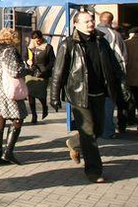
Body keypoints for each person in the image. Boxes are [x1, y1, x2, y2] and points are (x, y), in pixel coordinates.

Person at [49, 11, 124, 184]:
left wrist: (122, 86)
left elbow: (114, 66)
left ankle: (75, 143)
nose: (91, 23)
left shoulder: (101, 41)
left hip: (100, 93)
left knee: (98, 130)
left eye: (92, 20)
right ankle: (94, 171)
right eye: (87, 21)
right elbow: (58, 72)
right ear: (76, 24)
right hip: (79, 95)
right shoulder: (68, 44)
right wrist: (54, 95)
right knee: (89, 133)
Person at [0, 28, 28, 165]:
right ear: (12, 38)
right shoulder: (10, 51)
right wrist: (27, 68)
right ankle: (8, 153)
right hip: (8, 90)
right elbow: (15, 71)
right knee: (18, 118)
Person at [97, 11, 129, 136]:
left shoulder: (90, 33)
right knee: (108, 103)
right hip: (109, 76)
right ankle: (108, 131)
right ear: (111, 21)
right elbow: (122, 57)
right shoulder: (114, 35)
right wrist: (122, 77)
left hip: (92, 75)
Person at [25, 30, 54, 124]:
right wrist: (27, 61)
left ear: (41, 38)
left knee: (41, 93)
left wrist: (46, 69)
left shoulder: (48, 47)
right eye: (34, 40)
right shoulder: (30, 47)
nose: (37, 42)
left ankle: (44, 106)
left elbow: (52, 61)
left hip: (43, 74)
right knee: (30, 94)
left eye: (38, 40)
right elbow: (25, 57)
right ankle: (34, 114)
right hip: (32, 73)